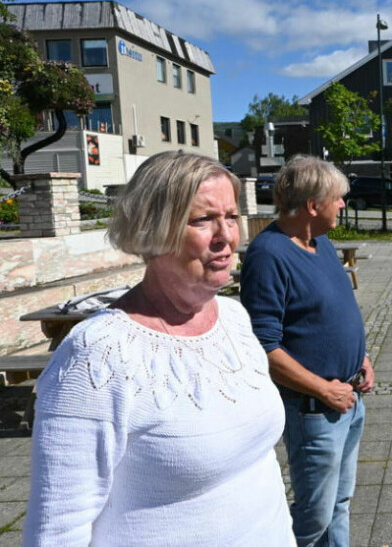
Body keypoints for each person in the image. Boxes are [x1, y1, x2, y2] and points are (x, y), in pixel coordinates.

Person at [23, 152, 294, 546]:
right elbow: (56, 530)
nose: (226, 236)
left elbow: (258, 469)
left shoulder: (233, 319)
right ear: (153, 229)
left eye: (232, 217)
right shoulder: (96, 356)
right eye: (203, 220)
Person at [241, 155, 374, 547]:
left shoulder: (321, 243)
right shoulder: (269, 254)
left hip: (348, 398)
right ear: (313, 205)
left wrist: (361, 357)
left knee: (339, 504)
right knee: (314, 516)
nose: (343, 204)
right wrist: (323, 389)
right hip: (314, 409)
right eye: (338, 198)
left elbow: (334, 310)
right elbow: (263, 347)